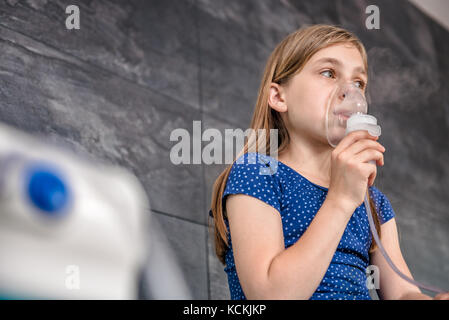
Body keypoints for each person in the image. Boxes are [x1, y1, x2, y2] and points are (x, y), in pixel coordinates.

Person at [208, 24, 449, 300]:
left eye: (359, 83)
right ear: (278, 96)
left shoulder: (373, 203)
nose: (350, 92)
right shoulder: (257, 174)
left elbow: (402, 293)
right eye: (329, 73)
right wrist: (341, 200)